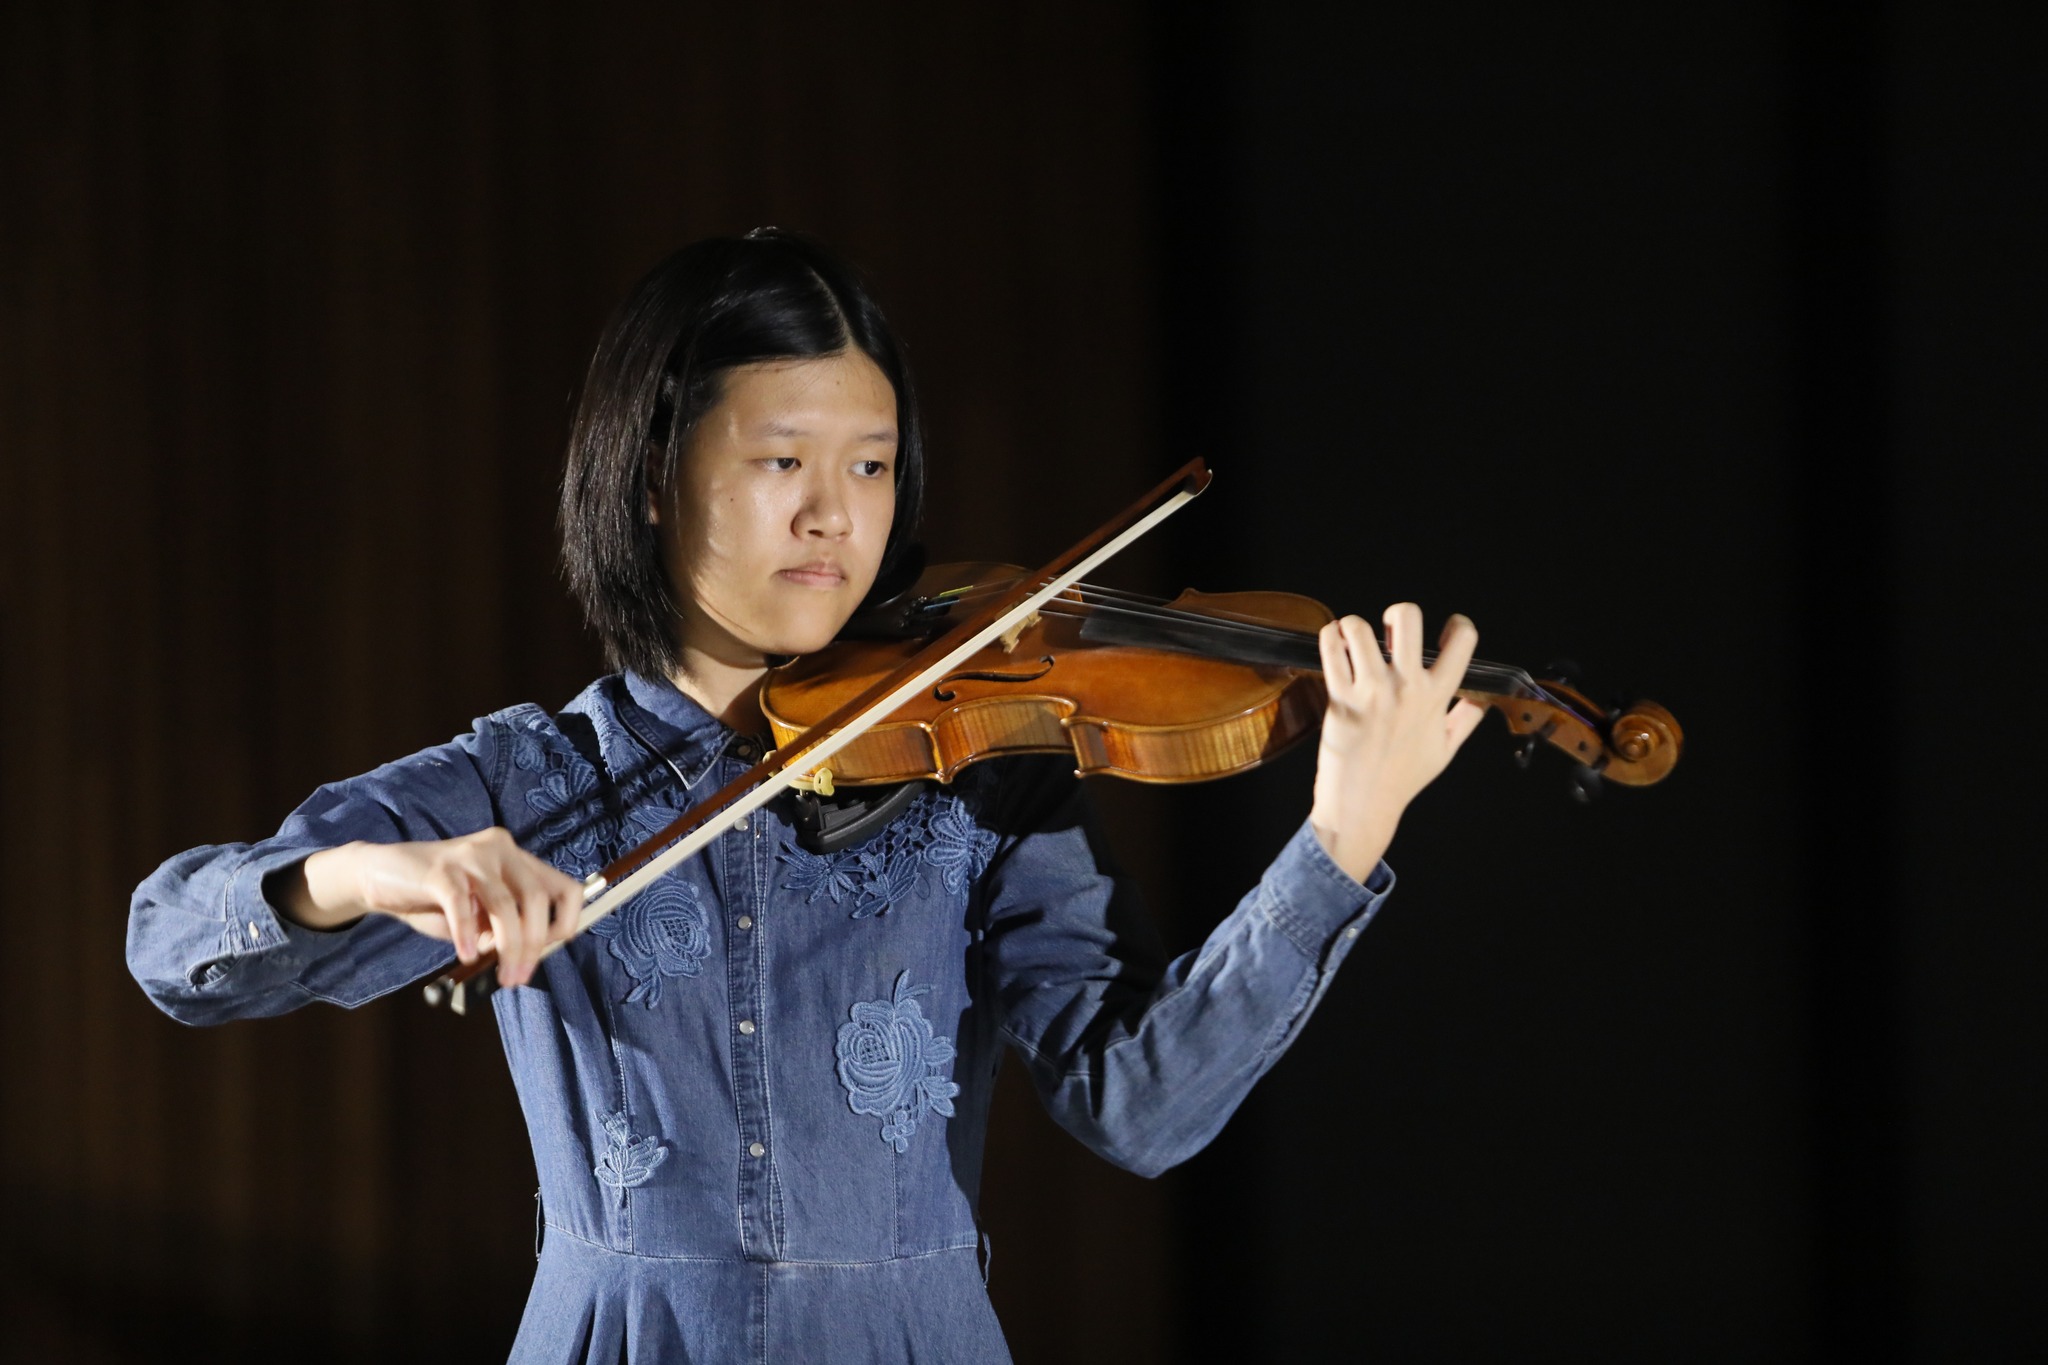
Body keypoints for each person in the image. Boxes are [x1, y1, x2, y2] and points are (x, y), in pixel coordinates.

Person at [127, 229, 1484, 1363]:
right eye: (782, 460)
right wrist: (379, 872)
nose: (836, 514)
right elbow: (172, 941)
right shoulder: (534, 779)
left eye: (871, 464)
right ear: (652, 478)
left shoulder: (980, 777)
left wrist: (1341, 834)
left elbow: (1139, 1104)